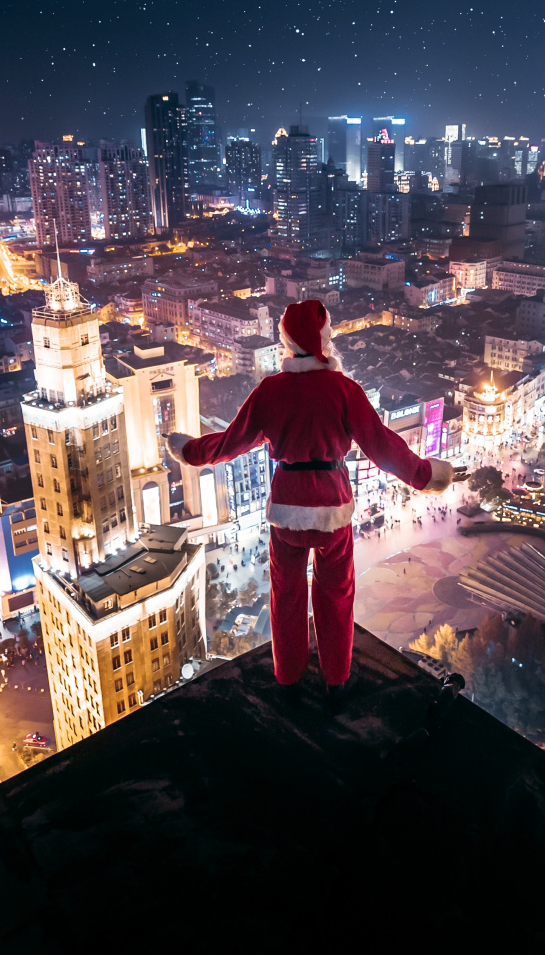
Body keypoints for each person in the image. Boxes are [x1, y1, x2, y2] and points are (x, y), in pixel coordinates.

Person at [167, 299, 466, 712]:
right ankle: (336, 682)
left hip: (287, 507)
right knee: (336, 596)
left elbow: (229, 443)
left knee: (286, 596)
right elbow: (382, 446)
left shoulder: (269, 390)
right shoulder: (344, 389)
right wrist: (424, 474)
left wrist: (189, 451)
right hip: (332, 506)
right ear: (325, 339)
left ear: (286, 342)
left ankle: (288, 679)